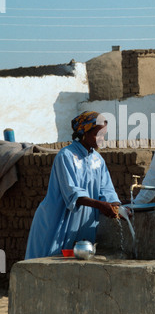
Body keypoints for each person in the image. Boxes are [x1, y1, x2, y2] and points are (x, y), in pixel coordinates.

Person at [25, 111, 121, 259]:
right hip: (57, 221)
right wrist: (101, 205)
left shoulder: (98, 159)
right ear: (84, 133)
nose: (102, 139)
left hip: (82, 222)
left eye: (104, 135)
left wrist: (116, 207)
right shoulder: (66, 156)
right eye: (98, 134)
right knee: (49, 263)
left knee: (77, 263)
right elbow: (73, 192)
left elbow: (106, 189)